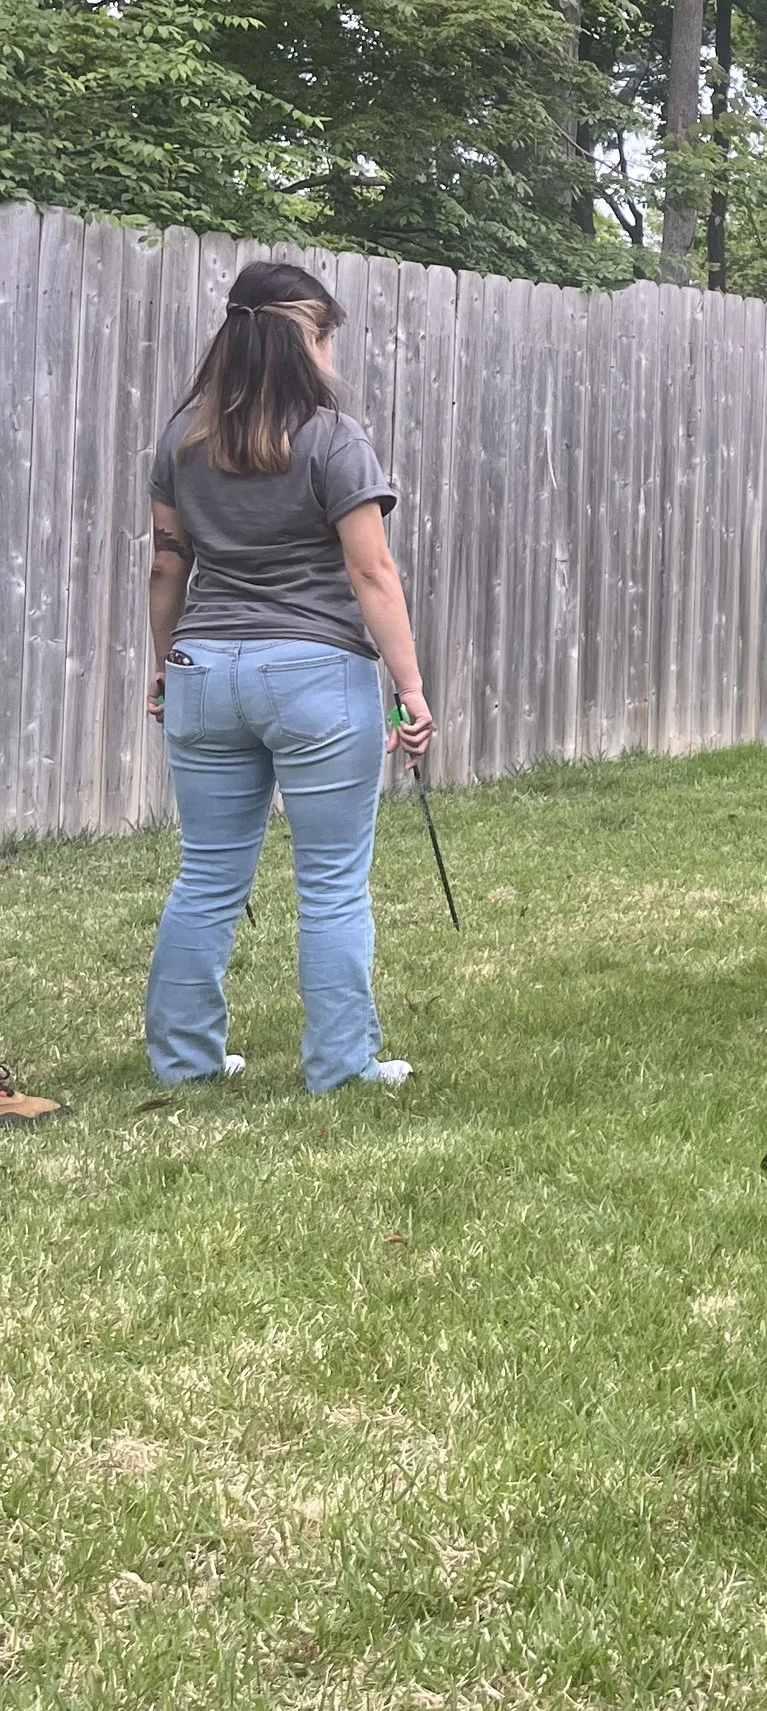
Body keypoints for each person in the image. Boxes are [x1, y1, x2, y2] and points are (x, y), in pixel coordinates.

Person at [144, 261, 435, 1093]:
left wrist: (164, 668)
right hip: (315, 674)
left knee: (204, 874)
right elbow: (373, 574)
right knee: (334, 885)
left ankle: (183, 1061)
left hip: (203, 668)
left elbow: (168, 568)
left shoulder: (178, 439)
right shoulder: (332, 438)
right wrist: (411, 689)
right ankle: (341, 1065)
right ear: (304, 340)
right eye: (328, 336)